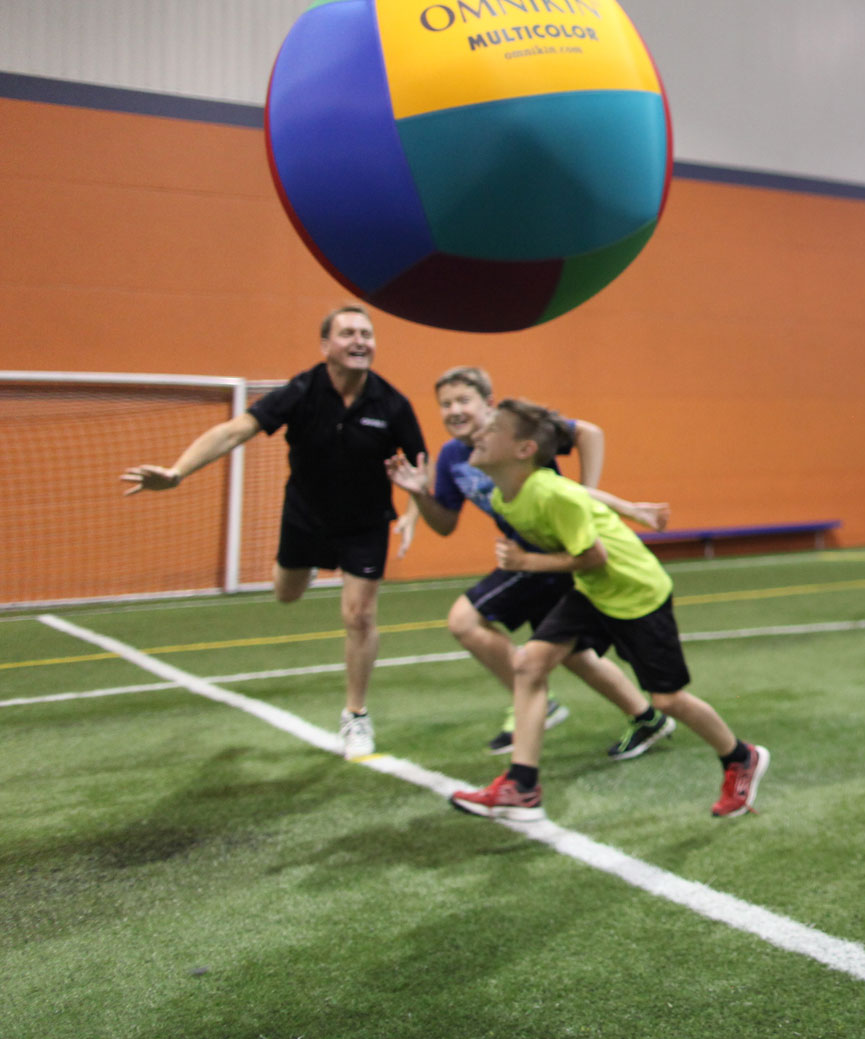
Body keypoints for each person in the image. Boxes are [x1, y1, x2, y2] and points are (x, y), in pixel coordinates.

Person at [121, 304, 423, 760]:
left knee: (359, 615)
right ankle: (307, 567)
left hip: (365, 522)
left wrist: (414, 513)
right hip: (305, 515)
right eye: (348, 333)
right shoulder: (302, 391)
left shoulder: (393, 404)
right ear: (326, 346)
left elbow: (422, 462)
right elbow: (235, 430)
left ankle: (356, 716)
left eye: (366, 333)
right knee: (286, 593)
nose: (360, 341)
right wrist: (178, 472)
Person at [449, 399, 768, 822]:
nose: (478, 434)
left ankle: (740, 757)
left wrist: (529, 564)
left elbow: (593, 556)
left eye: (491, 429)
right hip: (593, 592)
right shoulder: (508, 496)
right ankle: (521, 787)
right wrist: (629, 508)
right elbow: (581, 496)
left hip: (635, 591)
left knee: (668, 699)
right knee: (529, 666)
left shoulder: (549, 493)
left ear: (523, 449)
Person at [387, 365, 676, 759]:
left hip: (544, 554)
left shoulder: (516, 437)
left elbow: (587, 435)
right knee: (572, 654)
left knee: (464, 619)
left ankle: (538, 699)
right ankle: (647, 718)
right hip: (532, 554)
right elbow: (445, 525)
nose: (453, 410)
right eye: (445, 404)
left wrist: (591, 491)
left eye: (463, 400)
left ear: (488, 404)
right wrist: (419, 496)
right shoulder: (456, 456)